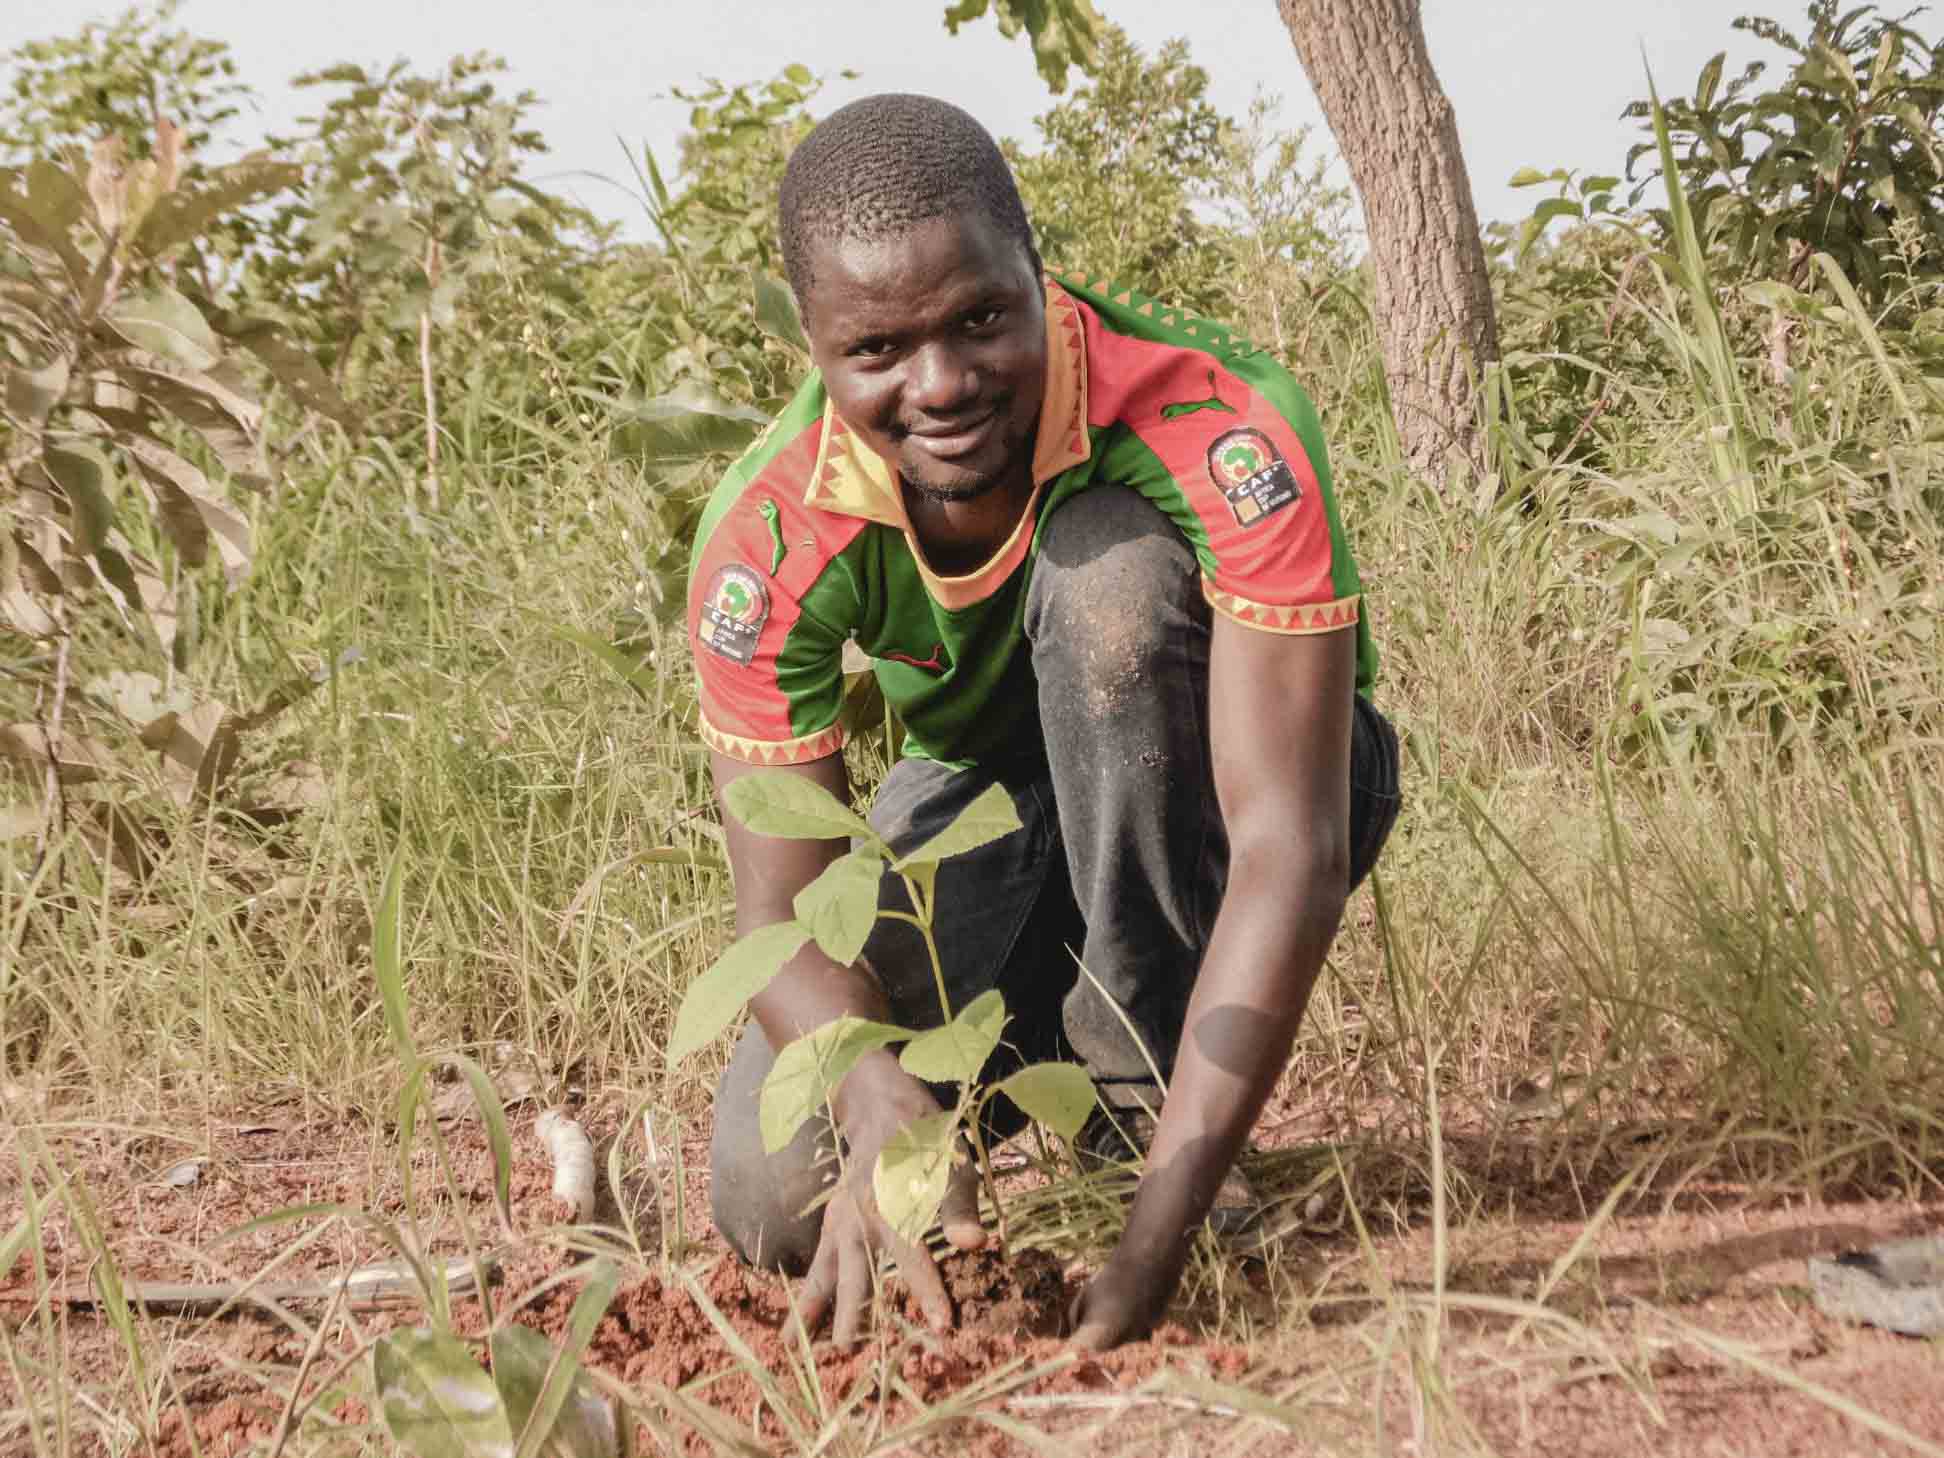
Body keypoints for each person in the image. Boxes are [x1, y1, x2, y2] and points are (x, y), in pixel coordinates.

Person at [686, 92, 1400, 1352]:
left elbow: (1294, 841)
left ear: (1036, 271)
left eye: (980, 319)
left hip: (1222, 781)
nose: (944, 385)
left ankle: (1148, 1107)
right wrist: (876, 1096)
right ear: (812, 345)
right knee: (772, 1197)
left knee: (1110, 580)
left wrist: (1162, 1221)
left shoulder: (1216, 417)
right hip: (988, 808)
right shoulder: (768, 536)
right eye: (879, 353)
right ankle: (1035, 1056)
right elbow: (776, 910)